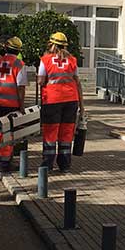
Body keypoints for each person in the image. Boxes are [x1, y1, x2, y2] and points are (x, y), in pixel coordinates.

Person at [37, 32, 85, 172]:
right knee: (66, 132)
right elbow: (77, 82)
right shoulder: (72, 60)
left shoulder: (45, 60)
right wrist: (82, 107)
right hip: (71, 100)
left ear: (51, 44)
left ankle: (48, 164)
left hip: (52, 100)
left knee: (51, 132)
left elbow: (41, 80)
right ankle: (64, 165)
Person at [0, 36, 27, 172]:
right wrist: (22, 106)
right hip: (12, 105)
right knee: (9, 134)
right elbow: (21, 87)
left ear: (5, 48)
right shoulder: (19, 65)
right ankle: (5, 163)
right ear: (18, 50)